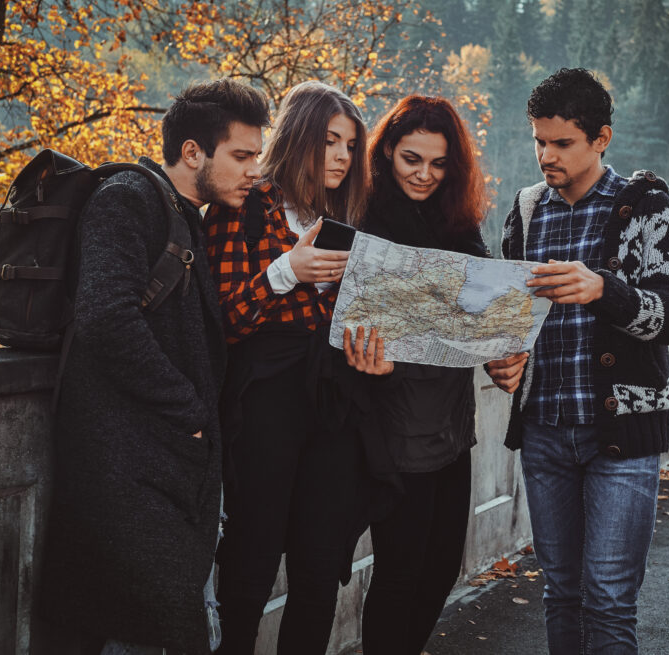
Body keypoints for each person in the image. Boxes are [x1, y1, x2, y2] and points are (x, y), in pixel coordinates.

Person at [39, 79, 271, 654]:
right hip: (125, 468)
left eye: (256, 158)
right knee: (135, 627)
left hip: (157, 467)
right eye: (241, 156)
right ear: (193, 152)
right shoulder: (128, 197)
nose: (253, 172)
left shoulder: (183, 213)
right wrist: (187, 410)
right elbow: (105, 318)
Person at [484, 68, 669, 654]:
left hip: (621, 437)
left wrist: (605, 290)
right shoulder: (525, 212)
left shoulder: (644, 206)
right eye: (538, 141)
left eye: (562, 143)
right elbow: (505, 324)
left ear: (601, 138)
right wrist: (499, 364)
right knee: (562, 595)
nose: (546, 155)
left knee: (607, 600)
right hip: (545, 433)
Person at [204, 80, 380, 655]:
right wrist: (289, 270)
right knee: (251, 556)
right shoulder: (245, 205)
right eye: (330, 141)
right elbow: (221, 321)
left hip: (333, 405)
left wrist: (365, 349)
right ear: (301, 135)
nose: (341, 156)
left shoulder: (344, 219)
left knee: (320, 561)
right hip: (265, 403)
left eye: (351, 146)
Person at [357, 95, 490, 655]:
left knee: (441, 569)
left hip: (452, 422)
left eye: (438, 164)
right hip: (391, 419)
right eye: (412, 159)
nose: (424, 175)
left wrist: (500, 346)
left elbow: (482, 309)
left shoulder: (459, 221)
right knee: (400, 570)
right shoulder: (364, 214)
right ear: (387, 149)